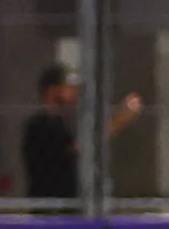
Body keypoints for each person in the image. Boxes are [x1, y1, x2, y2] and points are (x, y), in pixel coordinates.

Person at [18, 64, 144, 205]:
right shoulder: (41, 124)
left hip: (68, 206)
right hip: (51, 208)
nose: (75, 92)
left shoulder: (62, 122)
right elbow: (79, 147)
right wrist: (119, 120)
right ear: (52, 90)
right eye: (69, 87)